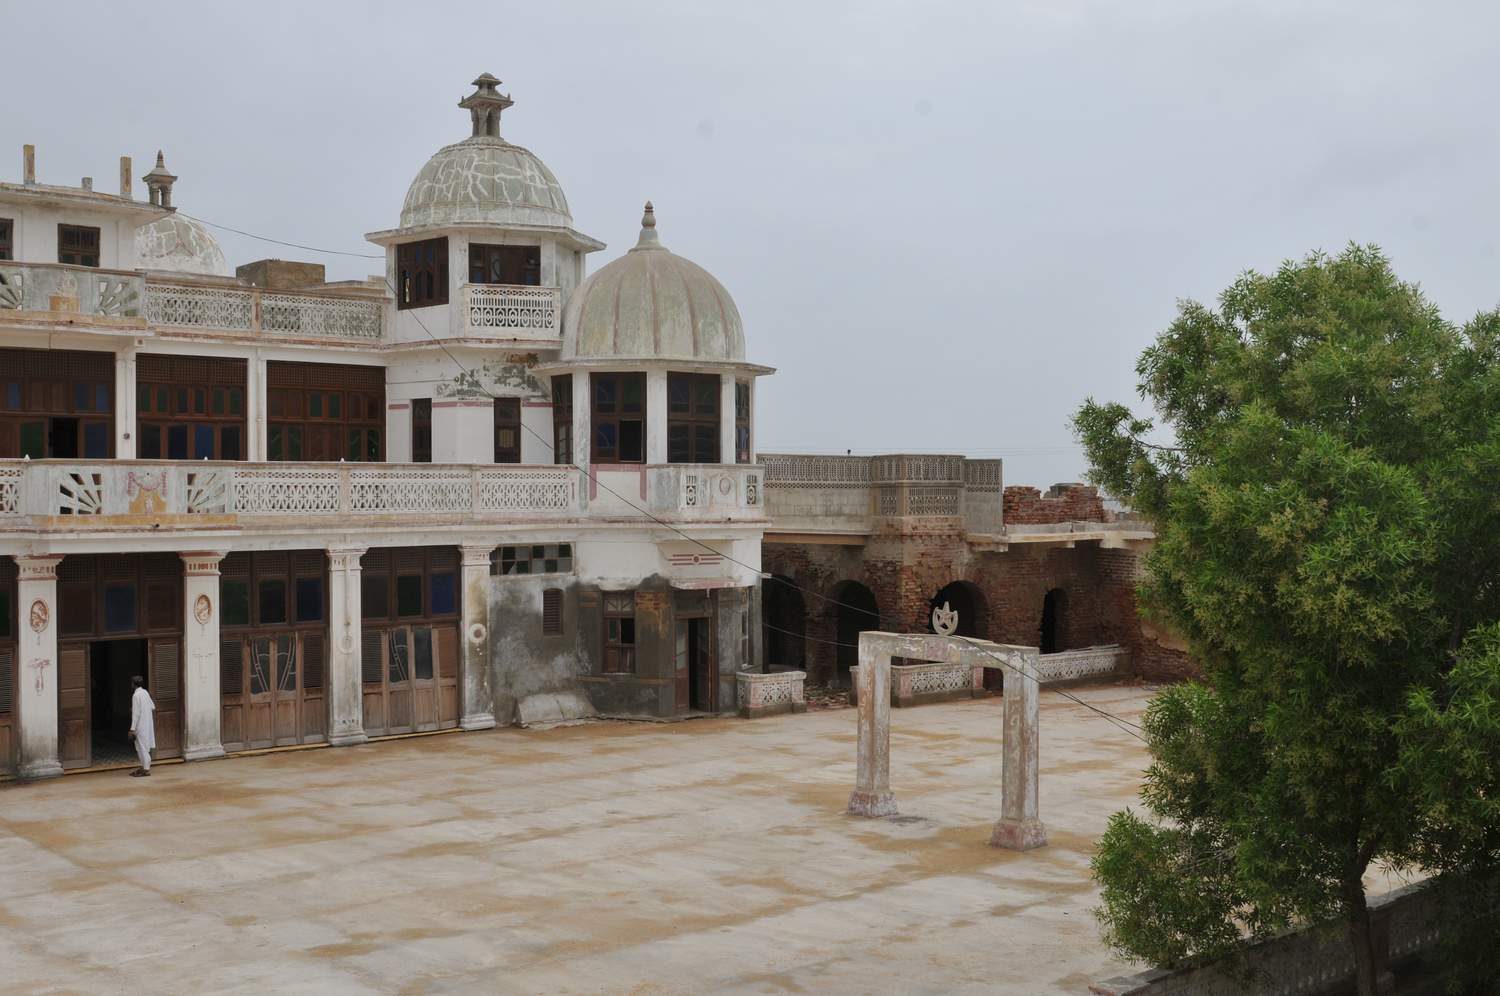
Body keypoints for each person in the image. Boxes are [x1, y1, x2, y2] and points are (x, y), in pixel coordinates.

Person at [128, 675, 155, 777]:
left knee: (141, 747)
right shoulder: (145, 693)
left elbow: (136, 714)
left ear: (133, 684)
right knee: (143, 746)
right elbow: (152, 706)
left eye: (131, 683)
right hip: (147, 724)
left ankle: (146, 769)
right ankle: (144, 766)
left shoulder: (136, 696)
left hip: (140, 725)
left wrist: (132, 729)